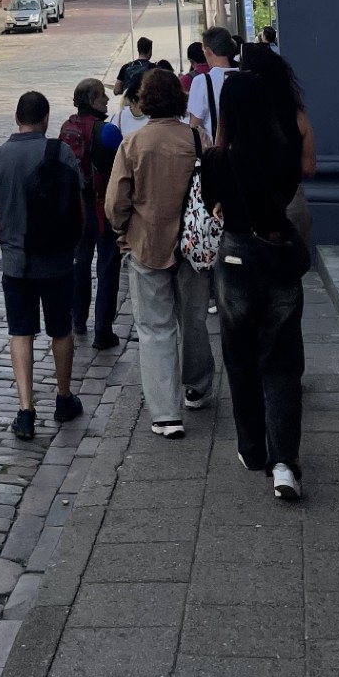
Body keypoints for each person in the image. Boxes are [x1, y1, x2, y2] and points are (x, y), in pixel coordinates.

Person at [200, 59, 309, 501]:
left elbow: (214, 206)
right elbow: (288, 193)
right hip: (278, 254)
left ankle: (251, 447)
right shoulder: (283, 152)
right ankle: (285, 462)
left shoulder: (216, 159)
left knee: (240, 356)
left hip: (236, 258)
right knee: (282, 362)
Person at [104, 67, 216, 438]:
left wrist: (124, 233)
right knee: (194, 319)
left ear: (144, 101)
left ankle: (166, 413)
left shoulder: (133, 144)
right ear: (180, 100)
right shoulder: (197, 138)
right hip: (194, 245)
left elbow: (115, 203)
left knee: (155, 328)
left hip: (147, 243)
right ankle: (197, 385)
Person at [0, 90, 85, 441]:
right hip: (56, 261)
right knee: (61, 330)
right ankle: (64, 397)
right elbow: (79, 208)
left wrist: (6, 240)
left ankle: (26, 410)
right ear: (45, 119)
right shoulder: (62, 153)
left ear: (16, 118)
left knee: (20, 333)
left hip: (17, 263)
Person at [61, 79, 122, 352]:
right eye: (101, 96)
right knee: (108, 267)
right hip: (102, 206)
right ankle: (102, 330)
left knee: (80, 263)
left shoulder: (67, 128)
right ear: (92, 101)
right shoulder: (107, 131)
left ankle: (77, 319)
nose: (107, 100)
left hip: (77, 207)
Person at [240, 43, 316, 245]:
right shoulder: (297, 114)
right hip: (292, 202)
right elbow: (309, 167)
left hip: (251, 205)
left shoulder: (242, 116)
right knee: (292, 271)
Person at [187, 26, 239, 136]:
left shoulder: (202, 82)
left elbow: (195, 125)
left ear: (208, 51)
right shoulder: (247, 76)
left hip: (216, 149)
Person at [114, 37, 153, 104]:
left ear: (138, 50)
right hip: (146, 105)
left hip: (129, 105)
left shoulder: (126, 67)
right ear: (150, 50)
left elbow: (116, 91)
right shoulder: (154, 69)